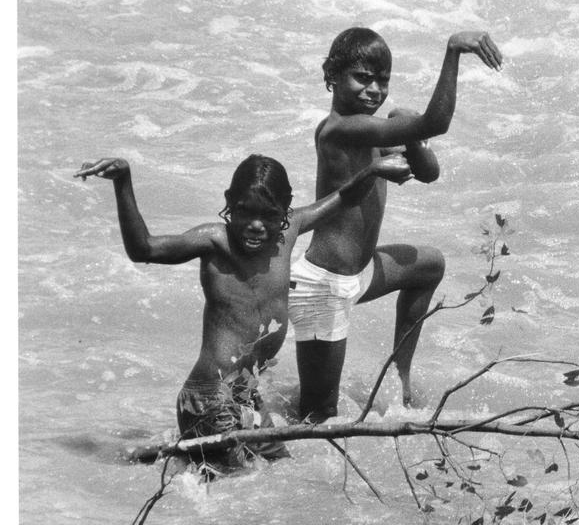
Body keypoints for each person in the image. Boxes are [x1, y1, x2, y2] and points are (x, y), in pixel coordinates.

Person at [74, 153, 411, 468]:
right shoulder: (214, 242)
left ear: (285, 211)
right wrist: (123, 182)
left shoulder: (290, 230)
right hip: (208, 399)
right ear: (229, 204)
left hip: (245, 394)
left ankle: (153, 454)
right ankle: (165, 451)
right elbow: (144, 248)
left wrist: (373, 170)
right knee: (242, 489)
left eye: (269, 215)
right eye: (245, 212)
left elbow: (343, 199)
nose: (255, 225)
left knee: (282, 474)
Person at [288, 27, 503, 422]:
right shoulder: (340, 129)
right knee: (317, 418)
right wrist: (453, 51)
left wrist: (414, 141)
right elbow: (436, 121)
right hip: (323, 286)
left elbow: (430, 173)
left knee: (430, 265)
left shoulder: (372, 130)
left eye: (382, 81)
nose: (374, 90)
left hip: (361, 273)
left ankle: (400, 380)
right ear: (332, 76)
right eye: (362, 78)